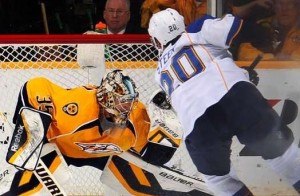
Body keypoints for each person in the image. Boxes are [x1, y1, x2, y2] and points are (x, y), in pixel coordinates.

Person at [148, 8, 300, 195]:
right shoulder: (196, 29)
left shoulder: (159, 74)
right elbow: (237, 28)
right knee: (285, 158)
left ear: (156, 40)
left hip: (198, 125)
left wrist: (240, 73)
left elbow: (194, 86)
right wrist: (264, 41)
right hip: (235, 98)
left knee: (219, 182)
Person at [6, 70, 176, 194]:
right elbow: (36, 85)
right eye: (122, 103)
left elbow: (153, 159)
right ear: (107, 98)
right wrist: (37, 122)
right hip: (59, 148)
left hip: (104, 155)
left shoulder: (137, 116)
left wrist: (169, 131)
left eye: (129, 103)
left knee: (149, 187)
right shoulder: (76, 107)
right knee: (23, 189)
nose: (127, 108)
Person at [140, 0, 207, 29]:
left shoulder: (215, 5)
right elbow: (151, 5)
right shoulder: (179, 2)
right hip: (180, 40)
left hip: (206, 42)